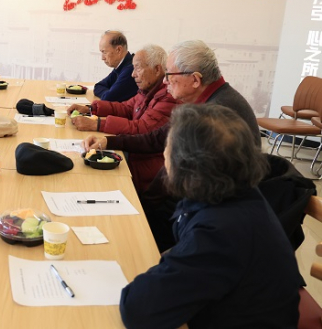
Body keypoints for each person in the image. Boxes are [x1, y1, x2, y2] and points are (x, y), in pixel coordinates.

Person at [119, 104, 300, 329]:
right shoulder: (229, 191)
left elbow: (138, 310)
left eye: (168, 147)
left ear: (187, 165)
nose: (165, 153)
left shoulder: (220, 233)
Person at [84, 39, 261, 250]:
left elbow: (182, 175)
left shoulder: (215, 111)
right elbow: (158, 138)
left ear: (195, 79)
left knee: (126, 234)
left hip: (215, 213)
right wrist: (108, 141)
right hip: (201, 201)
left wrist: (145, 203)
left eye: (169, 74)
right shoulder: (204, 101)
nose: (165, 81)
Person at [68, 45, 178, 192]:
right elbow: (125, 107)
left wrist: (97, 124)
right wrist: (91, 109)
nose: (133, 74)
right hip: (134, 157)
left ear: (157, 69)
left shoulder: (168, 97)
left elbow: (142, 129)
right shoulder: (147, 90)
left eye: (138, 68)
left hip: (146, 171)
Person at [93, 30, 138, 102]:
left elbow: (109, 98)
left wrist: (109, 93)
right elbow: (98, 86)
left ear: (118, 50)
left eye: (104, 52)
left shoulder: (130, 69)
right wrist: (109, 92)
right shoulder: (121, 65)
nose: (102, 58)